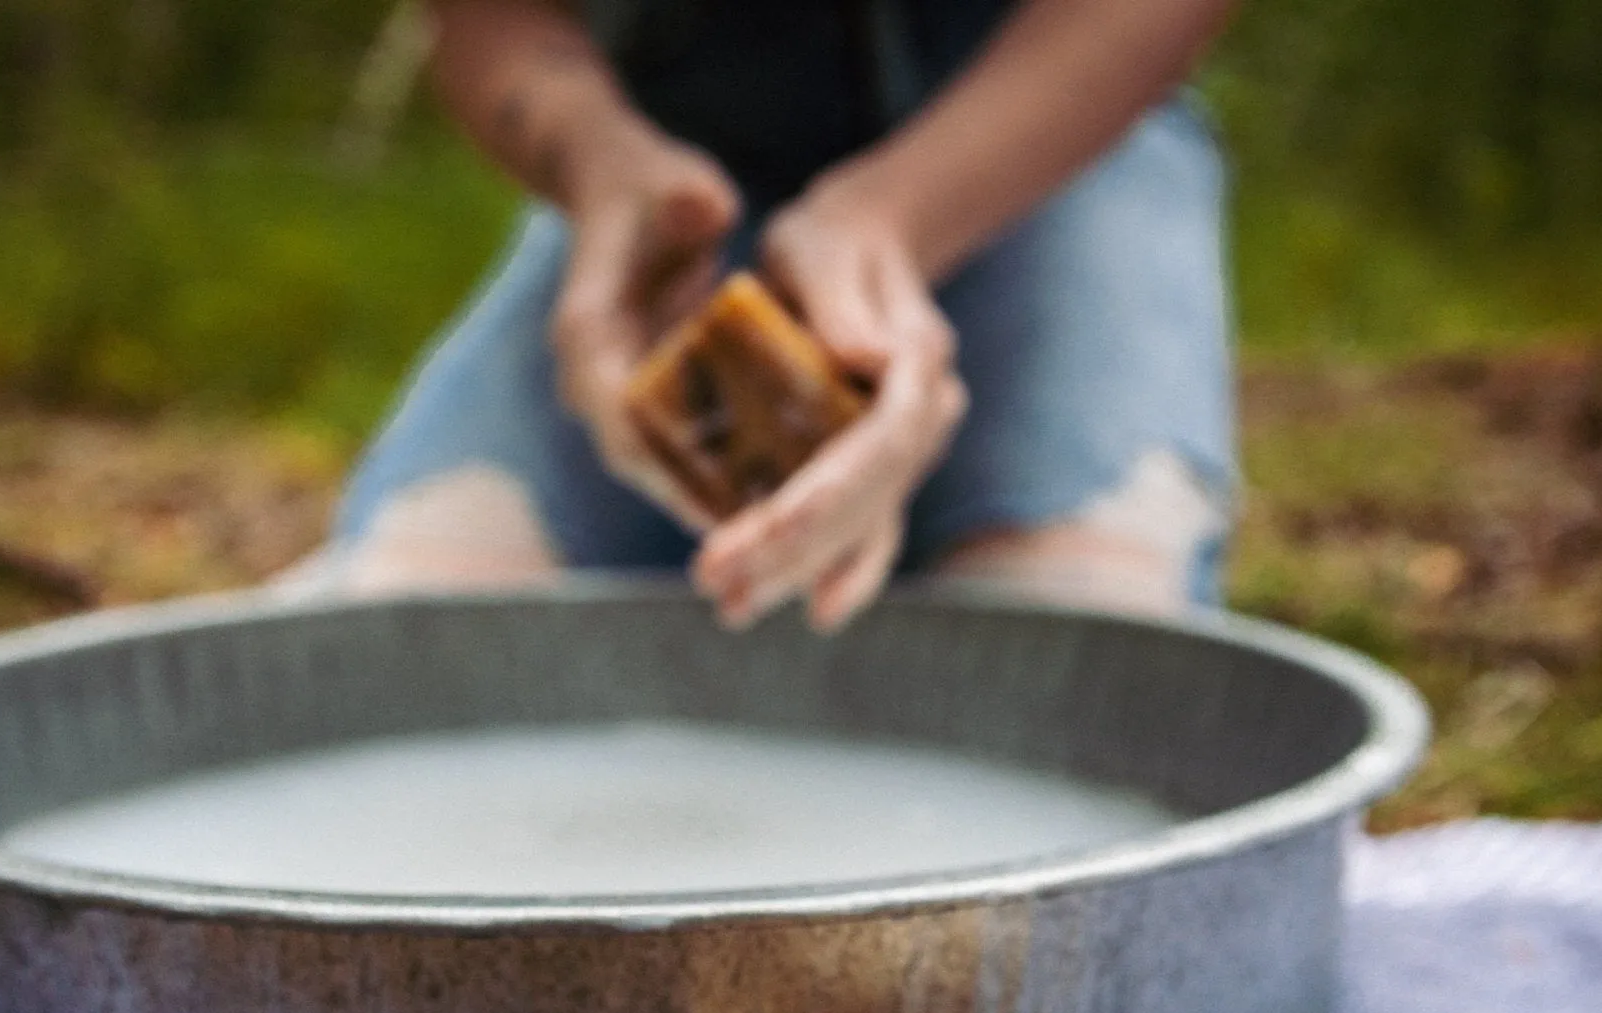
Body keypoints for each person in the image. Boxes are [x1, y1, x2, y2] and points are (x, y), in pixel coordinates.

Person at [292, 0, 1238, 630]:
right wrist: (595, 159)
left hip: (1047, 133)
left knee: (1077, 647)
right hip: (671, 151)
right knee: (407, 627)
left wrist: (889, 217)